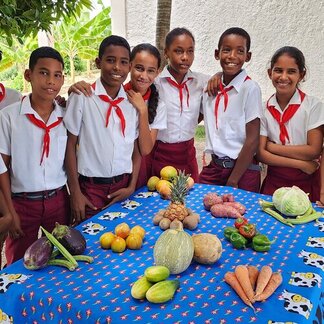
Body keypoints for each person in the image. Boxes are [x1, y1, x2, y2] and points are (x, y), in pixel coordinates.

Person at [0, 46, 70, 265]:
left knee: (59, 258)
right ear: (28, 75)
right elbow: (2, 167)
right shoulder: (9, 117)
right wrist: (9, 212)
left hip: (58, 200)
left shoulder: (66, 115)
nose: (50, 81)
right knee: (19, 263)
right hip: (22, 204)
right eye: (43, 72)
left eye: (57, 75)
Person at [64, 35, 142, 223]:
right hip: (90, 190)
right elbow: (69, 145)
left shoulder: (132, 103)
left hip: (122, 188)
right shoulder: (82, 96)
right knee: (90, 245)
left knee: (121, 243)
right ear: (99, 62)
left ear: (129, 67)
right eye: (110, 60)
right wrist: (75, 192)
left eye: (123, 62)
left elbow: (136, 149)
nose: (117, 67)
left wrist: (131, 186)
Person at [68, 43, 167, 189]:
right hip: (100, 177)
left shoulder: (155, 104)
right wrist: (73, 89)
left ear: (157, 72)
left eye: (150, 71)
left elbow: (145, 149)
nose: (143, 75)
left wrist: (143, 111)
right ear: (131, 67)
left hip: (136, 169)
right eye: (139, 68)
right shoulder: (114, 94)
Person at [257, 46, 324, 202]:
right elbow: (261, 154)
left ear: (302, 75)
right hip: (275, 183)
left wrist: (273, 147)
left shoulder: (313, 106)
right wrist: (302, 164)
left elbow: (313, 151)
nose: (283, 77)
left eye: (291, 71)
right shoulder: (263, 108)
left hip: (306, 183)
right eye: (278, 70)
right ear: (270, 73)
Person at [199, 27, 262, 192]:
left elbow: (252, 140)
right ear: (217, 53)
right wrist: (217, 75)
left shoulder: (250, 88)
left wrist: (233, 180)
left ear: (248, 56)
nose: (232, 56)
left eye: (240, 51)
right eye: (226, 50)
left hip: (242, 171)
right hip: (214, 168)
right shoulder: (210, 88)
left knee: (241, 217)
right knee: (199, 209)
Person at [151, 27, 209, 182]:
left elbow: (201, 112)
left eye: (190, 51)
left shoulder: (201, 82)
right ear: (166, 53)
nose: (185, 57)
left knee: (190, 202)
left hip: (188, 155)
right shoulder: (155, 84)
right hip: (160, 155)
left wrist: (218, 76)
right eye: (178, 51)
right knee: (160, 202)